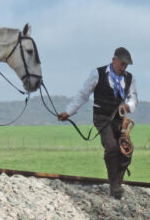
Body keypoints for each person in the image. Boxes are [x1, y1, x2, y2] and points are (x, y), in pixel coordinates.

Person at [58, 47, 137, 199]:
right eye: (122, 64)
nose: (123, 68)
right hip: (102, 117)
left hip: (120, 120)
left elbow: (133, 98)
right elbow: (83, 95)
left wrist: (129, 106)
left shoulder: (130, 78)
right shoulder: (97, 74)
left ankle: (117, 184)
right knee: (112, 148)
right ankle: (115, 187)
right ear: (114, 60)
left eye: (126, 65)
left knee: (126, 151)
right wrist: (68, 112)